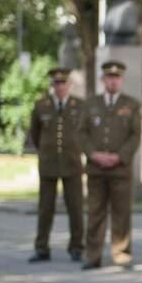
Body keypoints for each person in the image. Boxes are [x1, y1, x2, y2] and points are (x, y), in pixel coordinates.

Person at [79, 61, 141, 270]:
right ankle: (92, 256)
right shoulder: (91, 104)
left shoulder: (132, 105)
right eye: (109, 77)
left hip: (120, 169)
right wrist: (92, 153)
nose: (113, 81)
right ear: (103, 80)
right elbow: (81, 132)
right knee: (95, 213)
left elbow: (135, 135)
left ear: (121, 80)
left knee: (121, 213)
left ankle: (122, 254)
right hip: (96, 168)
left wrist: (119, 156)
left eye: (117, 78)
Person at [28, 68, 85, 263]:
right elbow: (35, 135)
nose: (59, 87)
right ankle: (41, 247)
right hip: (48, 164)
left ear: (69, 85)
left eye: (63, 83)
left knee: (75, 207)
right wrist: (45, 150)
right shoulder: (41, 105)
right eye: (56, 83)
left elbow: (85, 133)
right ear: (52, 85)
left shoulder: (80, 105)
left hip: (72, 164)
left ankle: (77, 247)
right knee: (45, 208)